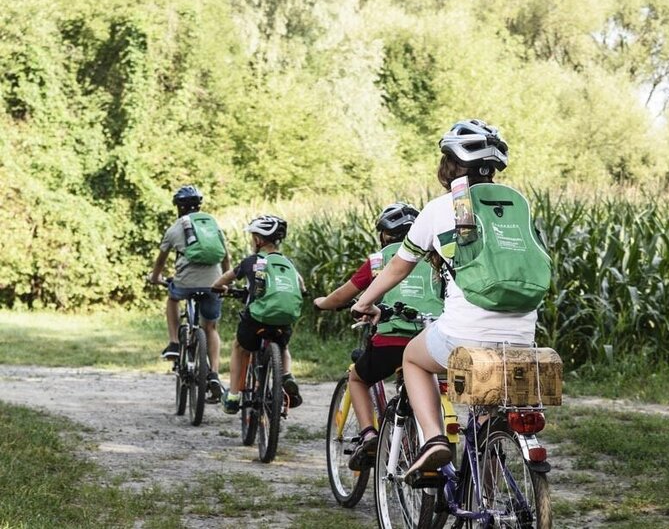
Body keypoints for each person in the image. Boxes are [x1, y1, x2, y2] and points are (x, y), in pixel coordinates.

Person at [352, 119, 543, 480]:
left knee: (414, 359)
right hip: (522, 335)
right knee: (485, 419)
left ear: (450, 165)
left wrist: (364, 301)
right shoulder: (518, 205)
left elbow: (396, 269)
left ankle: (434, 440)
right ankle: (484, 499)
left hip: (464, 333)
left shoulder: (441, 208)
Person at [314, 203, 444, 470]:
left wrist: (322, 302)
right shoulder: (435, 258)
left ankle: (369, 435)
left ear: (384, 234)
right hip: (433, 339)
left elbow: (344, 294)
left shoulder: (379, 260)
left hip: (391, 342)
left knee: (357, 378)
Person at [212, 215, 306, 414]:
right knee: (282, 345)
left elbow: (223, 280)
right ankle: (287, 375)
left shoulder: (251, 261)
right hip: (285, 319)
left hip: (257, 320)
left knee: (239, 346)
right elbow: (302, 286)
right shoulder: (288, 263)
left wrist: (220, 288)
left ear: (258, 240)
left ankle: (233, 396)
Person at [149, 185, 230, 403]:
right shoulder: (212, 225)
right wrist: (224, 281)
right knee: (210, 327)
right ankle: (213, 372)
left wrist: (156, 277)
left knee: (173, 297)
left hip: (186, 283)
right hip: (215, 281)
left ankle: (175, 342)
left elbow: (161, 260)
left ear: (179, 208)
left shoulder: (175, 228)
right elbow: (225, 256)